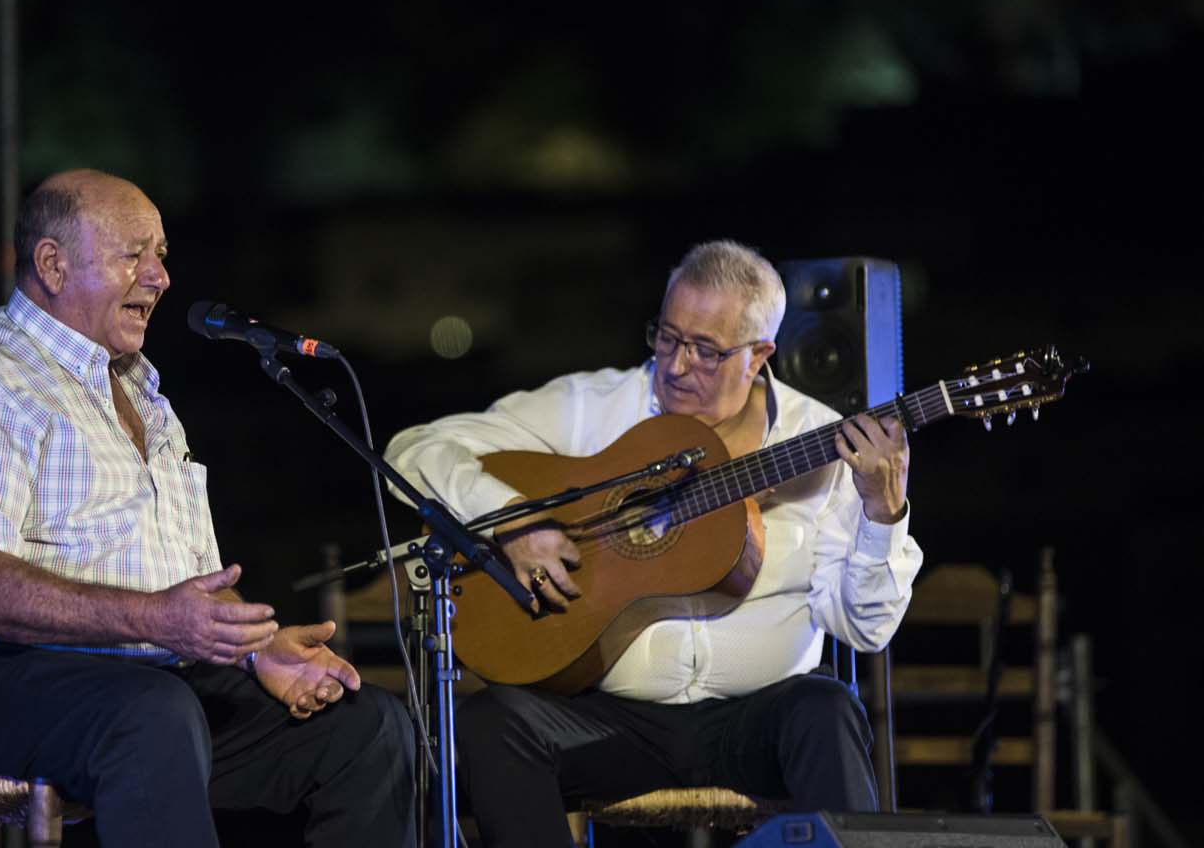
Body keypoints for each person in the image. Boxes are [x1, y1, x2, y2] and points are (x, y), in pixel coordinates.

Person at [0, 169, 415, 847]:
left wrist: (253, 652)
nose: (160, 277)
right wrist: (161, 621)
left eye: (161, 254)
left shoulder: (143, 393)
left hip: (138, 687)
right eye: (134, 253)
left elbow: (189, 587)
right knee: (151, 713)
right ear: (52, 264)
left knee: (364, 728)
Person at [384, 239, 922, 847]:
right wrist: (510, 517)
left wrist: (883, 511)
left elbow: (866, 629)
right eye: (667, 337)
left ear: (759, 354)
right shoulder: (593, 407)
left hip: (755, 720)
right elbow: (413, 450)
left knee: (828, 709)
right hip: (612, 719)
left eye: (707, 350)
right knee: (493, 723)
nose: (677, 365)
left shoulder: (822, 439)